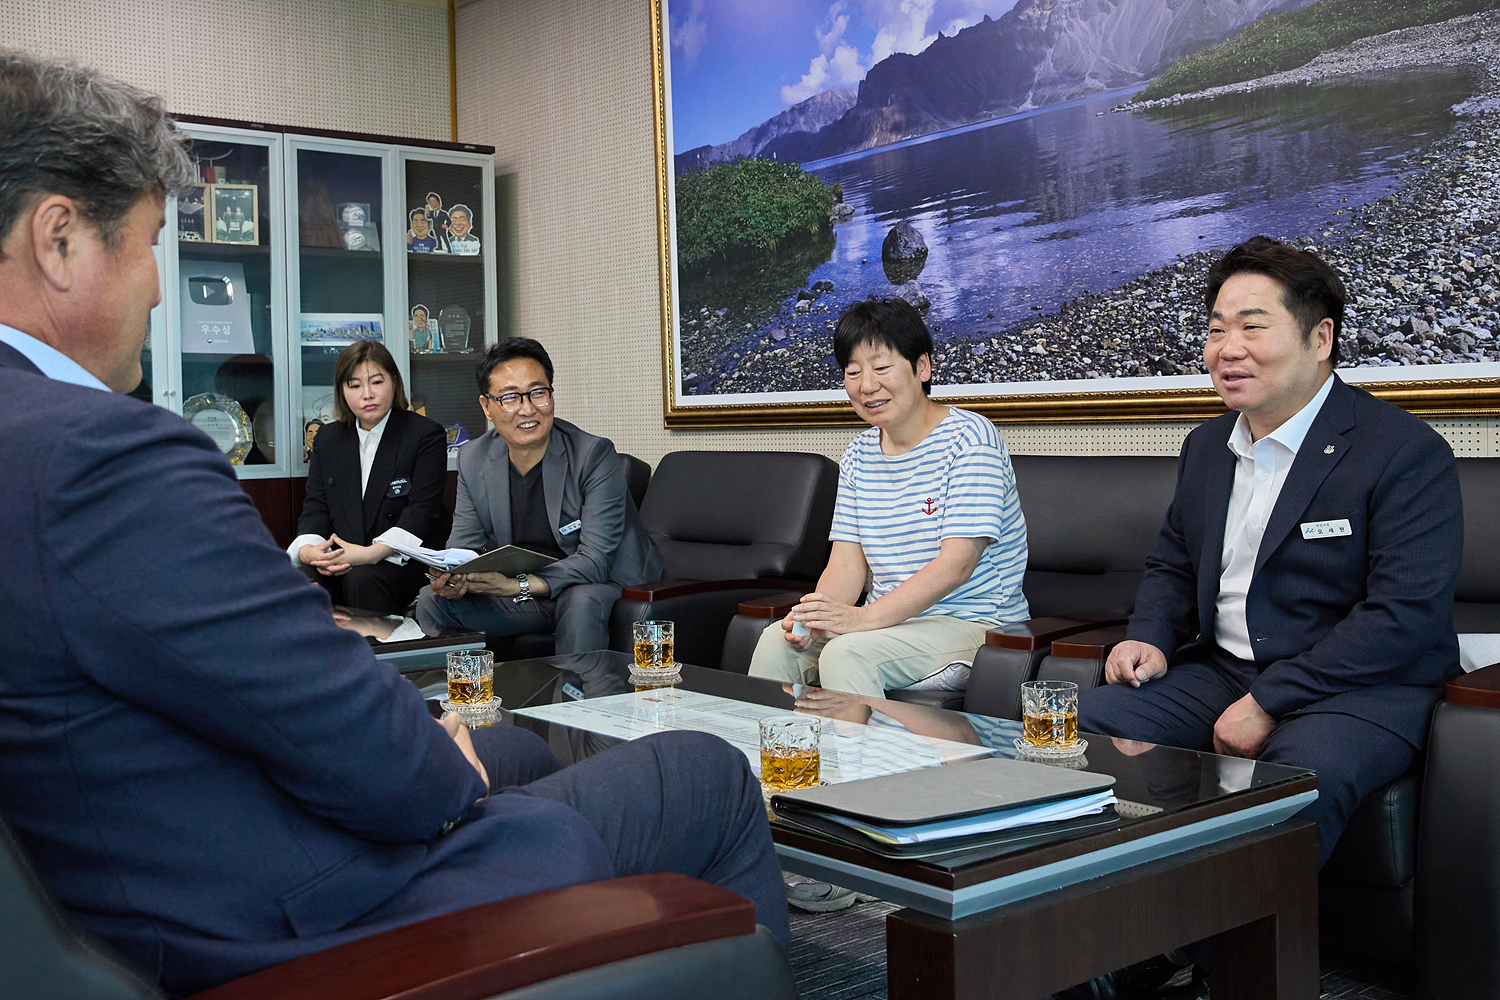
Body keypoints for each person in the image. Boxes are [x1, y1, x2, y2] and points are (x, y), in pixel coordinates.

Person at [0, 49, 787, 998]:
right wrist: (440, 766)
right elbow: (350, 741)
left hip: (121, 878)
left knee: (512, 741)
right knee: (708, 772)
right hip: (288, 918)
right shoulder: (102, 457)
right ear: (58, 240)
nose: (161, 289)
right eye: (149, 244)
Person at [1066, 237, 1463, 999]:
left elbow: (1403, 616)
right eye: (1217, 329)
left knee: (1288, 779)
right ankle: (1087, 937)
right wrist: (1148, 635)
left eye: (1253, 326)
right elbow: (1172, 563)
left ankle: (1194, 959)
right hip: (1224, 668)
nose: (1228, 349)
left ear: (1320, 338)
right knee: (1080, 734)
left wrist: (1271, 700)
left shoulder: (1403, 451)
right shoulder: (1207, 446)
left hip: (1360, 687)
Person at [748, 297, 1029, 699]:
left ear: (922, 367)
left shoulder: (970, 439)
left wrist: (863, 619)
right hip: (888, 623)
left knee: (847, 654)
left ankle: (865, 746)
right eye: (853, 372)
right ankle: (769, 745)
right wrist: (816, 616)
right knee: (776, 642)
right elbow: (846, 565)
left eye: (881, 368)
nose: (867, 385)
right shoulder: (858, 454)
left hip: (975, 625)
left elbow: (956, 565)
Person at [415, 337, 663, 654]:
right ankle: (465, 686)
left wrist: (515, 585)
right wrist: (454, 578)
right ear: (487, 407)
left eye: (538, 393)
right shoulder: (474, 458)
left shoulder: (593, 455)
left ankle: (578, 689)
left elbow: (596, 560)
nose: (527, 409)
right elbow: (463, 546)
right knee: (432, 600)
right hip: (528, 593)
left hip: (602, 583)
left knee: (580, 600)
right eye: (510, 397)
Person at [287, 339, 448, 615]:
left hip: (402, 560)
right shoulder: (327, 438)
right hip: (343, 558)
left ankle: (383, 646)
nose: (367, 394)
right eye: (355, 385)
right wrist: (308, 551)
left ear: (394, 382)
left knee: (362, 580)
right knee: (296, 581)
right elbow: (316, 506)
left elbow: (422, 512)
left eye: (376, 382)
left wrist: (371, 554)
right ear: (342, 390)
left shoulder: (424, 435)